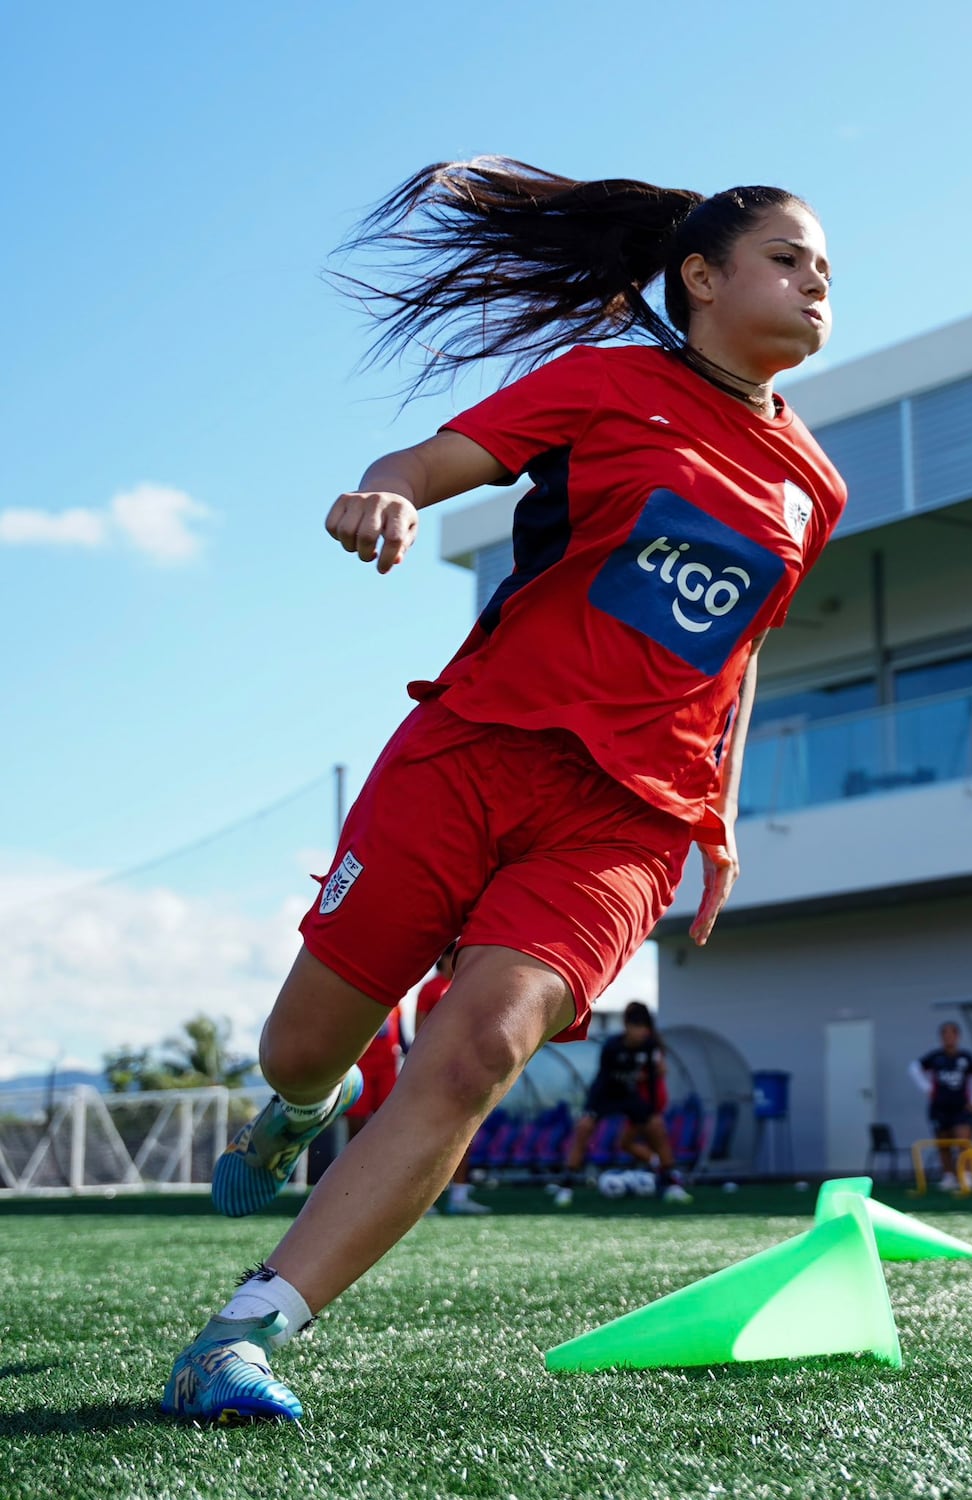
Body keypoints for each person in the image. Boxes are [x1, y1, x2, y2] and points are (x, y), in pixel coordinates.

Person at [161, 157, 845, 1424]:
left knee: (481, 1045)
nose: (818, 285)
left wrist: (722, 815)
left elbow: (739, 654)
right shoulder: (604, 381)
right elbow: (430, 459)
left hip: (629, 821)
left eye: (829, 273)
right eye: (789, 259)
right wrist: (388, 493)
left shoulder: (818, 486)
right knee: (299, 1045)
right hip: (477, 749)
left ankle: (244, 1334)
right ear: (701, 278)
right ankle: (300, 1107)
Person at [554, 1000, 690, 1206]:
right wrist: (591, 1109)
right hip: (606, 1095)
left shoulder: (649, 1046)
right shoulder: (612, 1046)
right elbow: (602, 1079)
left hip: (629, 1095)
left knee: (656, 1126)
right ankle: (566, 1187)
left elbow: (652, 1081)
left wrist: (652, 1110)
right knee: (584, 1128)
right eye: (638, 1026)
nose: (642, 1031)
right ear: (627, 1027)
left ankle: (673, 1184)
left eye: (645, 1027)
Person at [414, 944, 490, 1214]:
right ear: (445, 958)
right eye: (454, 956)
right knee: (429, 1135)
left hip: (464, 1071)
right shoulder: (430, 989)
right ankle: (420, 1201)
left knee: (464, 1132)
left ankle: (459, 1196)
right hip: (436, 1072)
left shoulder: (466, 986)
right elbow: (420, 1030)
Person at [909, 1022, 972, 1190]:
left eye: (951, 1034)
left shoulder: (966, 1057)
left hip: (961, 1106)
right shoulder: (936, 1057)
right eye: (945, 1035)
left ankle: (967, 1175)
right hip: (939, 1107)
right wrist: (927, 1088)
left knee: (963, 1141)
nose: (948, 1038)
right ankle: (948, 1176)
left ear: (957, 1036)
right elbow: (913, 1068)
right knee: (943, 1143)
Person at [343, 1004, 403, 1141]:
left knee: (388, 1120)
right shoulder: (356, 1002)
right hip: (361, 1067)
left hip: (387, 1067)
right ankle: (355, 1154)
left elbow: (402, 1040)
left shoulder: (396, 1006)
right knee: (356, 1126)